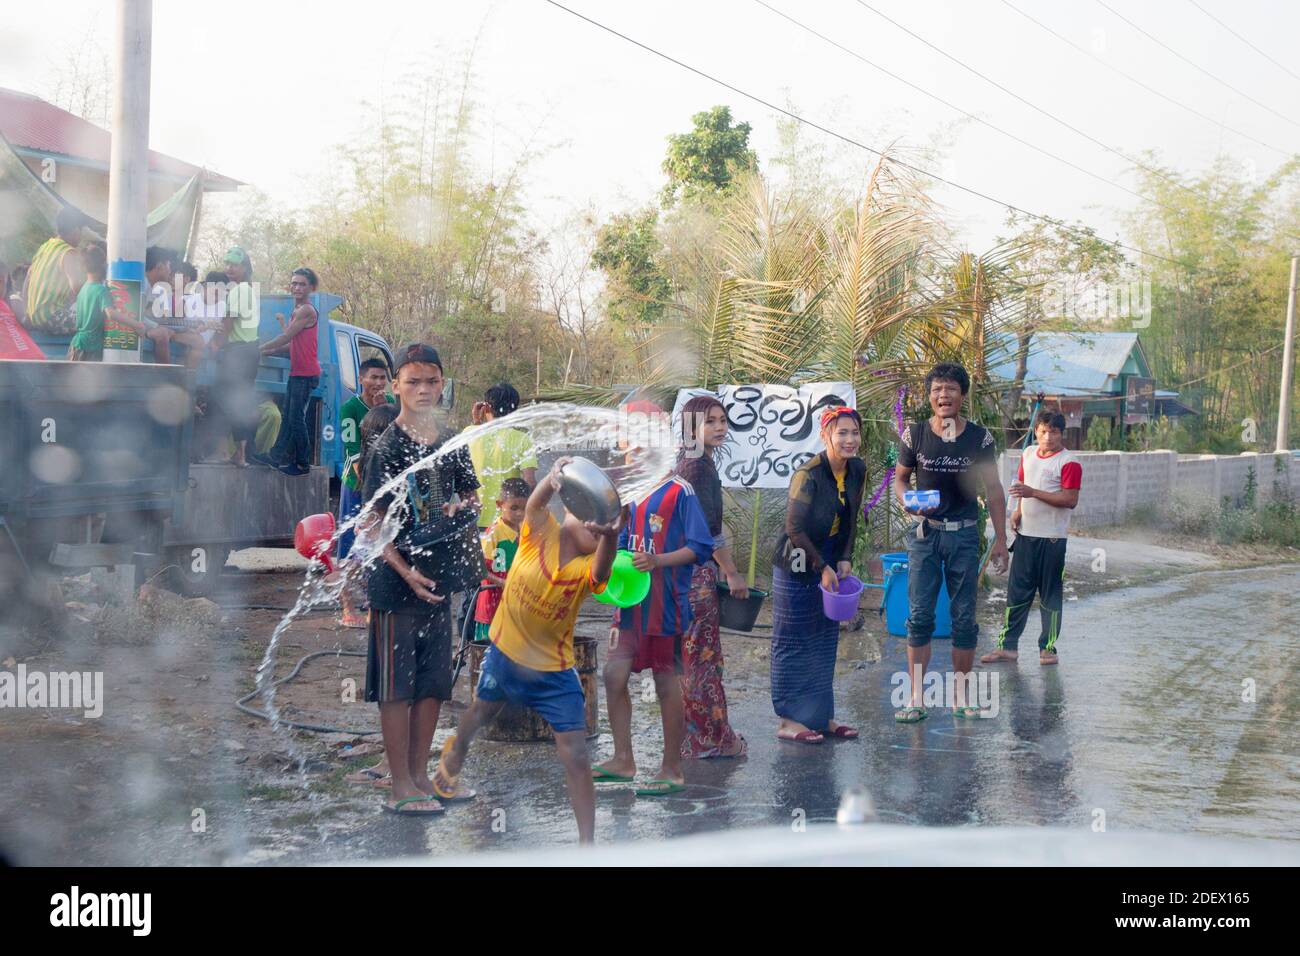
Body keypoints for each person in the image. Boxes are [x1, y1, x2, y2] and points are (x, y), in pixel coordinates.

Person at [432, 458, 621, 843]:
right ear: (569, 508)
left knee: (576, 754)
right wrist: (551, 481)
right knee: (481, 712)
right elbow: (535, 505)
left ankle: (588, 846)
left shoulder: (586, 569)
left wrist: (611, 538)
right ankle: (456, 751)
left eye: (600, 529)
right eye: (588, 518)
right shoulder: (539, 531)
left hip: (554, 672)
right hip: (506, 656)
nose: (593, 529)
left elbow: (602, 572)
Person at [360, 343, 480, 815]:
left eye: (432, 381)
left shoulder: (451, 440)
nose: (424, 389)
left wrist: (462, 506)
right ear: (397, 387)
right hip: (396, 584)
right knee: (397, 684)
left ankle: (420, 777)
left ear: (442, 383)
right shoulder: (386, 446)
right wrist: (406, 571)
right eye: (413, 381)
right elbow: (371, 523)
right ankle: (398, 785)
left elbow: (472, 495)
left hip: (440, 578)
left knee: (431, 683)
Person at [893, 362, 1009, 722]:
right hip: (925, 537)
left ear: (962, 395)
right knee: (920, 616)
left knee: (963, 617)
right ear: (929, 397)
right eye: (937, 390)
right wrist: (909, 504)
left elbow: (993, 490)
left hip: (963, 535)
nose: (943, 396)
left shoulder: (979, 439)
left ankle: (961, 694)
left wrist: (1002, 539)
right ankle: (916, 697)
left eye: (951, 389)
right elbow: (900, 480)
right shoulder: (914, 435)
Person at [593, 468, 713, 795]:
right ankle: (622, 759)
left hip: (666, 606)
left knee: (665, 682)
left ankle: (672, 769)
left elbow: (700, 546)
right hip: (628, 602)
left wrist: (657, 560)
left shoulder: (680, 490)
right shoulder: (629, 489)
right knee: (613, 675)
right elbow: (616, 541)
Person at [769, 407, 868, 743]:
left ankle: (820, 716)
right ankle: (788, 719)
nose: (849, 439)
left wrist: (843, 558)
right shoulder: (807, 474)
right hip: (797, 559)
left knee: (825, 637)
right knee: (793, 637)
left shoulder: (857, 469)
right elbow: (794, 528)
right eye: (841, 433)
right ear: (826, 436)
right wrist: (821, 566)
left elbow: (852, 518)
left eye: (854, 432)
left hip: (828, 555)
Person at [673, 395, 748, 759]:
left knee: (690, 660)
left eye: (722, 420)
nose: (719, 427)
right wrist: (732, 572)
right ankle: (716, 740)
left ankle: (692, 739)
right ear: (692, 428)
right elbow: (706, 534)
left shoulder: (688, 461)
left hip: (682, 576)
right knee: (702, 661)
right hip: (696, 576)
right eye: (710, 421)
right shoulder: (698, 469)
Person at [981, 411, 1081, 667]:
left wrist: (1032, 492)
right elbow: (1022, 488)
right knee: (1017, 593)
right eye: (1043, 431)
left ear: (1062, 434)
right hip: (1026, 536)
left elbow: (1069, 500)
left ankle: (1047, 648)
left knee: (1049, 595)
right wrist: (1017, 512)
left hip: (1052, 540)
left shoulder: (1069, 462)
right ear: (1036, 431)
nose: (1048, 437)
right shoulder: (1027, 454)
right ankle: (1008, 646)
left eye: (1054, 432)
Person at [341, 400, 402, 788]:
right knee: (390, 684)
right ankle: (389, 757)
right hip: (385, 594)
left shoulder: (391, 475)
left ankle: (394, 762)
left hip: (395, 595)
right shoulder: (375, 478)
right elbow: (367, 537)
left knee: (397, 686)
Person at [337, 358, 396, 626]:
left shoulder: (391, 407)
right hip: (357, 486)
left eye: (382, 378)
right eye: (373, 377)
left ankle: (375, 604)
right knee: (351, 545)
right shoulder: (350, 409)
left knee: (381, 545)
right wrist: (368, 486)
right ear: (361, 379)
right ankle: (348, 607)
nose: (378, 383)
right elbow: (353, 453)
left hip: (384, 488)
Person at [257, 267, 322, 476]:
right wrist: (269, 350)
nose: (296, 287)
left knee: (295, 419)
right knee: (288, 417)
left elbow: (285, 337)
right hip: (298, 373)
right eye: (294, 283)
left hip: (306, 374)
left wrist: (258, 349)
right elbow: (291, 344)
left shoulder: (306, 311)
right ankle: (275, 457)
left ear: (311, 287)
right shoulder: (297, 311)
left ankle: (303, 463)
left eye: (302, 284)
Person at [210, 247, 262, 467]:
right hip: (249, 351)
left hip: (238, 353)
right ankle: (240, 454)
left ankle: (225, 453)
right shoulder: (249, 290)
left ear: (245, 268)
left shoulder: (239, 291)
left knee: (220, 399)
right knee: (241, 402)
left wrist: (213, 344)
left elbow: (228, 323)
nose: (229, 268)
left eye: (234, 264)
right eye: (227, 263)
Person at [468, 382, 538, 530]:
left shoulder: (468, 434)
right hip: (508, 523)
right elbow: (530, 482)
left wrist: (476, 423)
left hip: (474, 521)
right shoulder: (522, 439)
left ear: (486, 407)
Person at [472, 477, 529, 643]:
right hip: (492, 607)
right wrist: (503, 583)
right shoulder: (493, 534)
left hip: (517, 607)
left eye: (524, 508)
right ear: (499, 504)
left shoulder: (526, 532)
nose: (520, 513)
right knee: (490, 655)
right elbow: (479, 569)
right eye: (514, 508)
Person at [67, 244, 143, 361]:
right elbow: (110, 313)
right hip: (90, 348)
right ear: (102, 265)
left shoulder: (84, 289)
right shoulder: (101, 290)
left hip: (77, 345)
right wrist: (137, 325)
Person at [19, 206, 85, 334]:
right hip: (52, 318)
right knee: (100, 320)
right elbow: (78, 288)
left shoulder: (46, 246)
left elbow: (27, 281)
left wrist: (27, 312)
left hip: (33, 318)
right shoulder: (68, 252)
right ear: (76, 229)